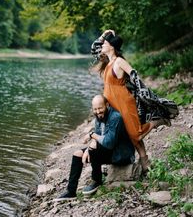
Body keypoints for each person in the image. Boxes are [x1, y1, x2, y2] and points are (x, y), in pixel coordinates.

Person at [91, 29, 172, 173]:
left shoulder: (119, 61)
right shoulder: (107, 61)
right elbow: (94, 48)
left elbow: (135, 76)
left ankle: (157, 121)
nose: (102, 44)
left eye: (105, 42)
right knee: (129, 134)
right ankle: (144, 162)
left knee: (136, 134)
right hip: (112, 105)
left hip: (124, 103)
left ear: (112, 46)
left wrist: (147, 96)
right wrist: (104, 34)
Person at [54, 94, 135, 201]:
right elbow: (97, 138)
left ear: (107, 105)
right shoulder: (98, 118)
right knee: (78, 154)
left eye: (100, 108)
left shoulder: (116, 117)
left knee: (93, 149)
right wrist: (87, 149)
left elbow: (108, 142)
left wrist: (91, 136)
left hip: (121, 154)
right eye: (95, 109)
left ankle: (96, 180)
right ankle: (71, 191)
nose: (98, 111)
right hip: (108, 151)